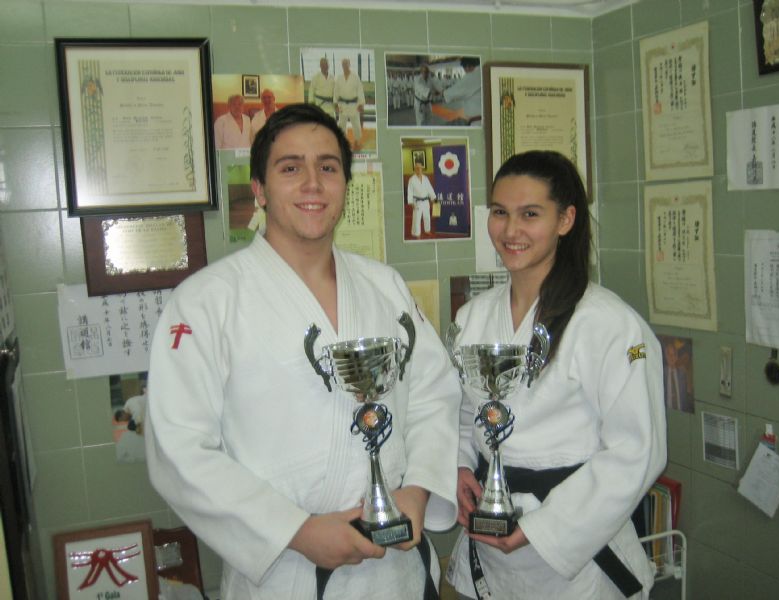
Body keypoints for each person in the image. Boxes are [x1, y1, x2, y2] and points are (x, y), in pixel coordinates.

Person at [145, 103, 460, 599]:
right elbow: (179, 449)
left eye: (328, 168)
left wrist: (417, 491)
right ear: (259, 189)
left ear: (345, 185)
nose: (313, 184)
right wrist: (296, 531)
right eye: (290, 168)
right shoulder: (206, 302)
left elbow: (433, 395)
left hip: (395, 574)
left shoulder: (385, 287)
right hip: (285, 574)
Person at [446, 150, 667, 599]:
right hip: (489, 547)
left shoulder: (608, 323)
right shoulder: (472, 318)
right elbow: (467, 412)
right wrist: (459, 466)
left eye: (530, 214)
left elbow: (636, 452)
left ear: (566, 219)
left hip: (576, 557)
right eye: (500, 213)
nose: (511, 230)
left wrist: (541, 529)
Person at [334, 58, 366, 150]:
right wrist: (335, 104)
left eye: (346, 64)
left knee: (356, 124)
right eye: (343, 64)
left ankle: (357, 141)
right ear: (342, 66)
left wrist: (361, 104)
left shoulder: (355, 77)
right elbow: (336, 91)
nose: (345, 66)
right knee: (341, 124)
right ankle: (343, 142)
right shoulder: (339, 78)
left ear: (349, 64)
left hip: (354, 105)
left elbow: (360, 90)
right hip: (342, 105)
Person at [442, 57, 482, 126]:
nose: (465, 71)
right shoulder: (482, 72)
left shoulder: (471, 76)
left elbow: (452, 92)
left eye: (464, 68)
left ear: (467, 66)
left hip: (477, 121)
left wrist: (442, 93)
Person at [406, 158, 436, 238]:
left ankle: (427, 230)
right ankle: (416, 233)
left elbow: (430, 189)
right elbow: (410, 191)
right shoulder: (412, 179)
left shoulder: (426, 178)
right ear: (415, 169)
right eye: (416, 168)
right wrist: (411, 202)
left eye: (420, 167)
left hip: (426, 201)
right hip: (417, 202)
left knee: (427, 217)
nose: (418, 169)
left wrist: (433, 198)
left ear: (422, 168)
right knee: (417, 218)